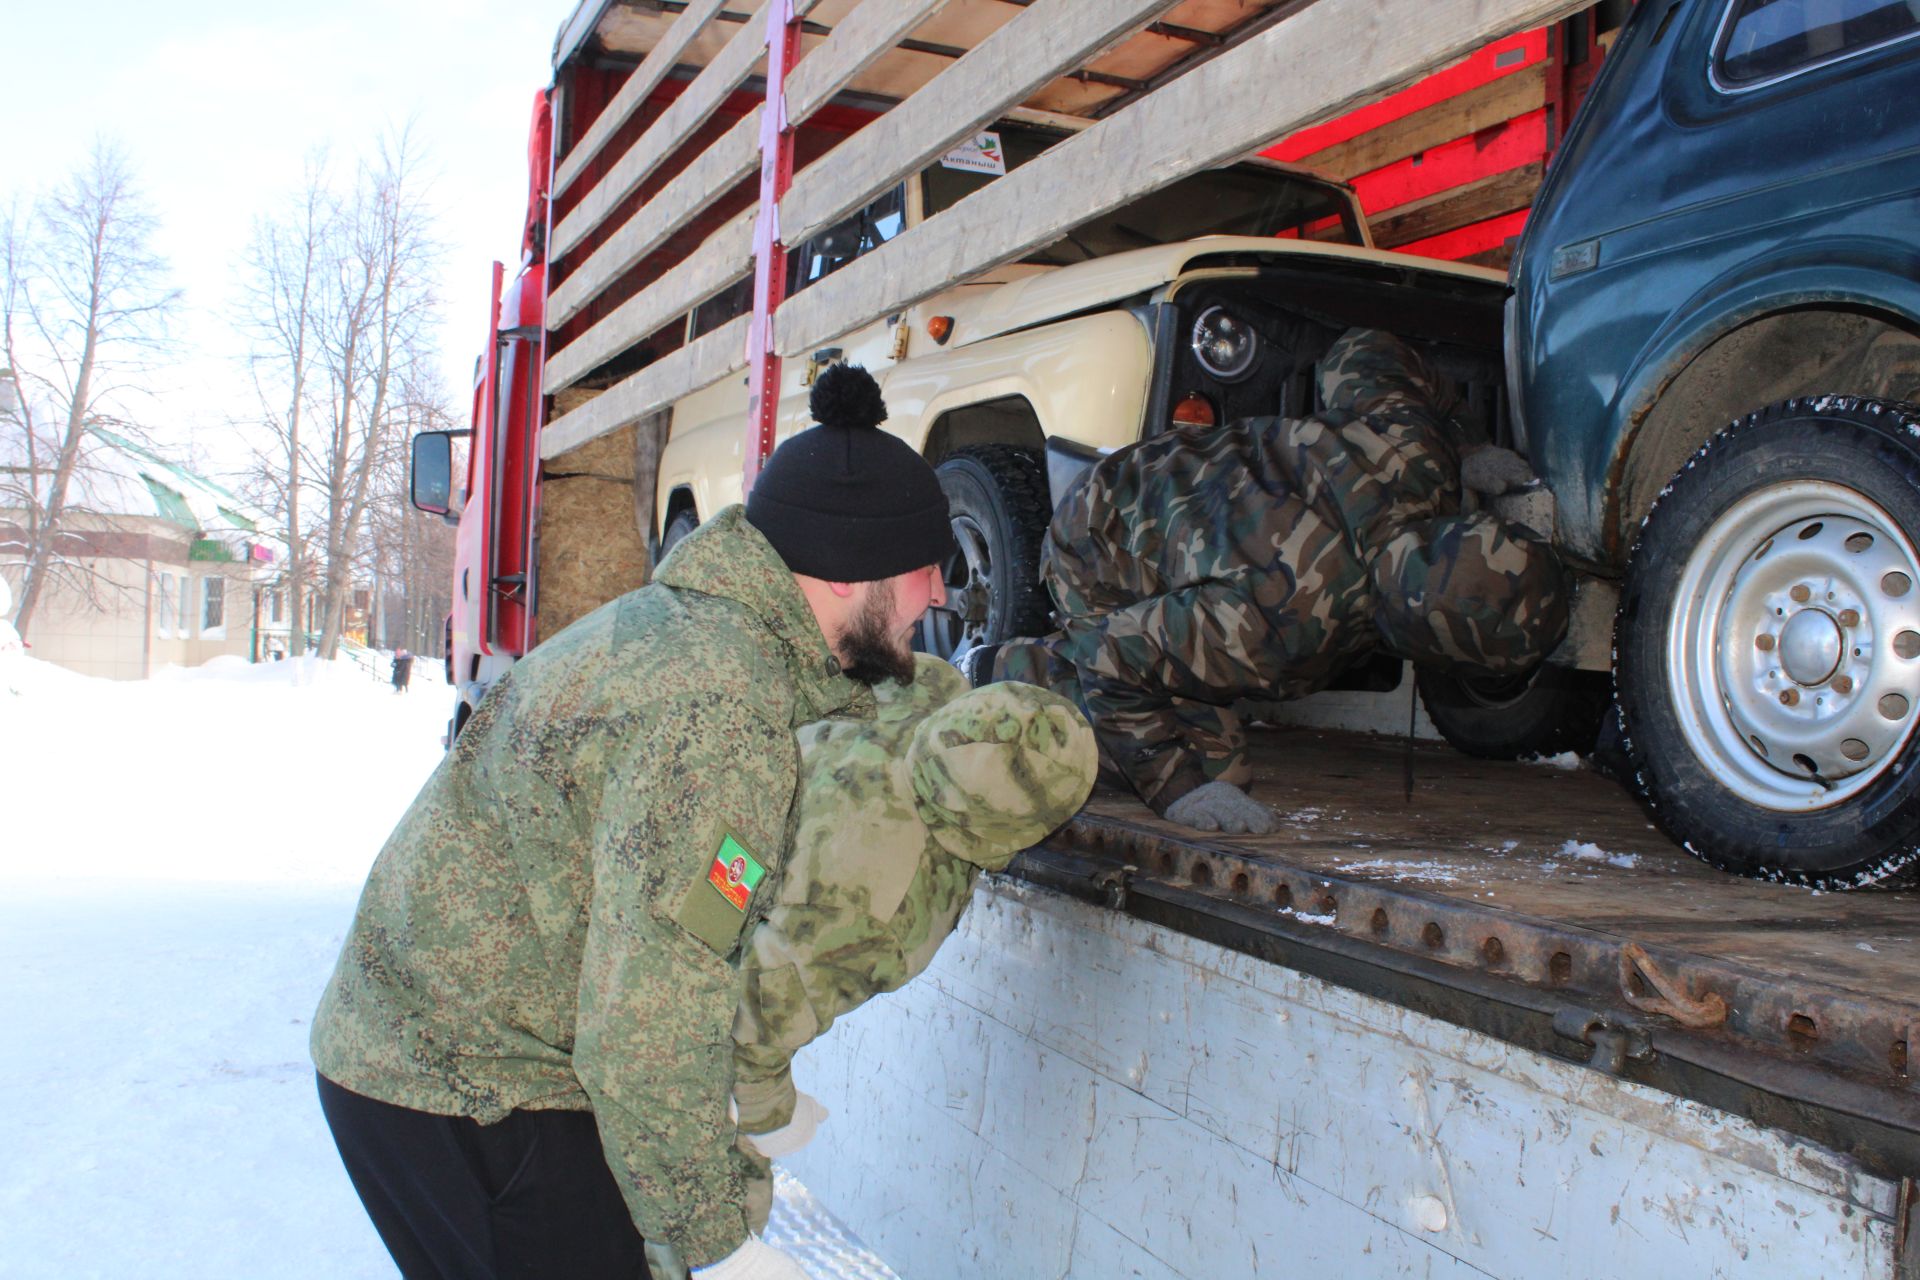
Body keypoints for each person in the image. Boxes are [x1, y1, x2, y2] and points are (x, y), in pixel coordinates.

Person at [310, 363, 952, 1280]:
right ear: (855, 572)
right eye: (925, 569)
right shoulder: (718, 715)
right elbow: (645, 1012)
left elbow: (667, 950)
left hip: (443, 1047)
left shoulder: (704, 640)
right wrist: (717, 1247)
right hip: (463, 1083)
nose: (937, 595)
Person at [965, 327, 1567, 836]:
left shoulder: (1418, 456)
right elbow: (1111, 659)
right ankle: (1014, 668)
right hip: (1095, 550)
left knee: (1208, 725)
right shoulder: (1277, 623)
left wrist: (1467, 447)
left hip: (1162, 475)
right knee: (1219, 776)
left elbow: (1361, 349)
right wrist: (1174, 791)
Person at [724, 659, 1096, 1239]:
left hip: (707, 825)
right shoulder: (879, 911)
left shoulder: (926, 685)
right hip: (678, 949)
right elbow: (743, 1032)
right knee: (712, 1195)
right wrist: (773, 1121)